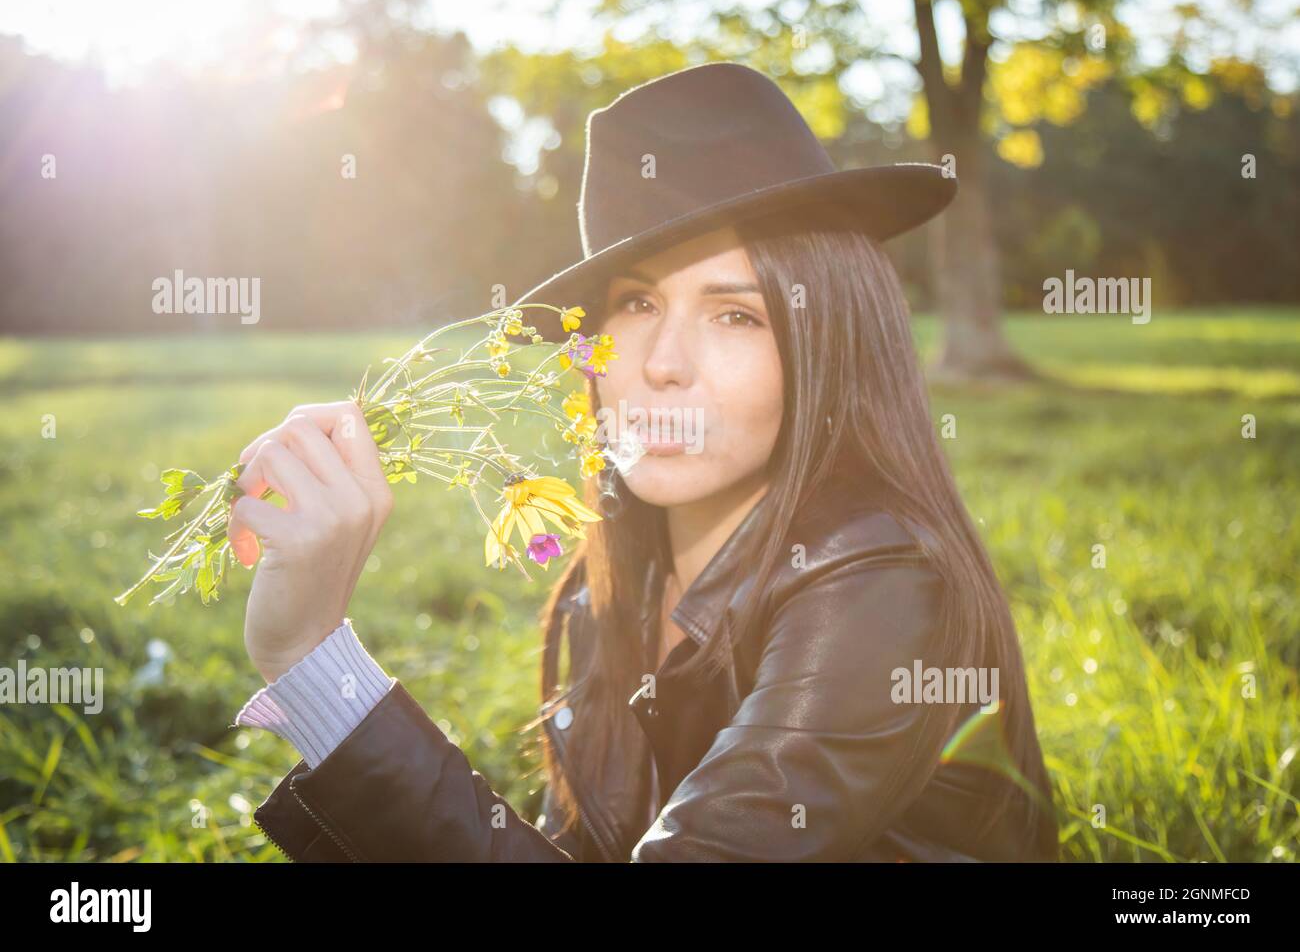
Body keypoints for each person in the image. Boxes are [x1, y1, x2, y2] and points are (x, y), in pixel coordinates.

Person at [229, 61, 1058, 862]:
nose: (663, 363)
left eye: (736, 315)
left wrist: (314, 658)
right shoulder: (610, 584)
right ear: (592, 348)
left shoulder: (885, 583)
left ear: (825, 342)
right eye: (637, 303)